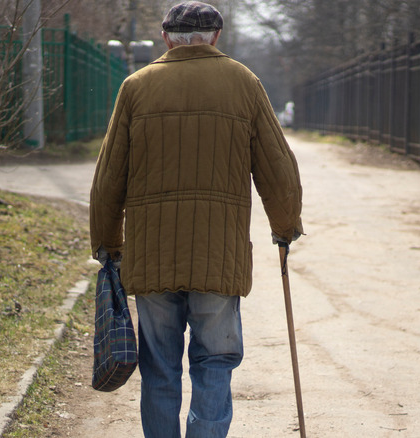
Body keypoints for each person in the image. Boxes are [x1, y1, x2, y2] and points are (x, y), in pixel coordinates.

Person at [89, 2, 304, 437]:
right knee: (214, 362)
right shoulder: (244, 83)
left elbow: (108, 178)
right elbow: (278, 168)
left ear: (167, 38)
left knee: (160, 369)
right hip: (217, 258)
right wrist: (285, 228)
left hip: (151, 260)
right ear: (217, 37)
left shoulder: (136, 87)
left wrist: (109, 245)